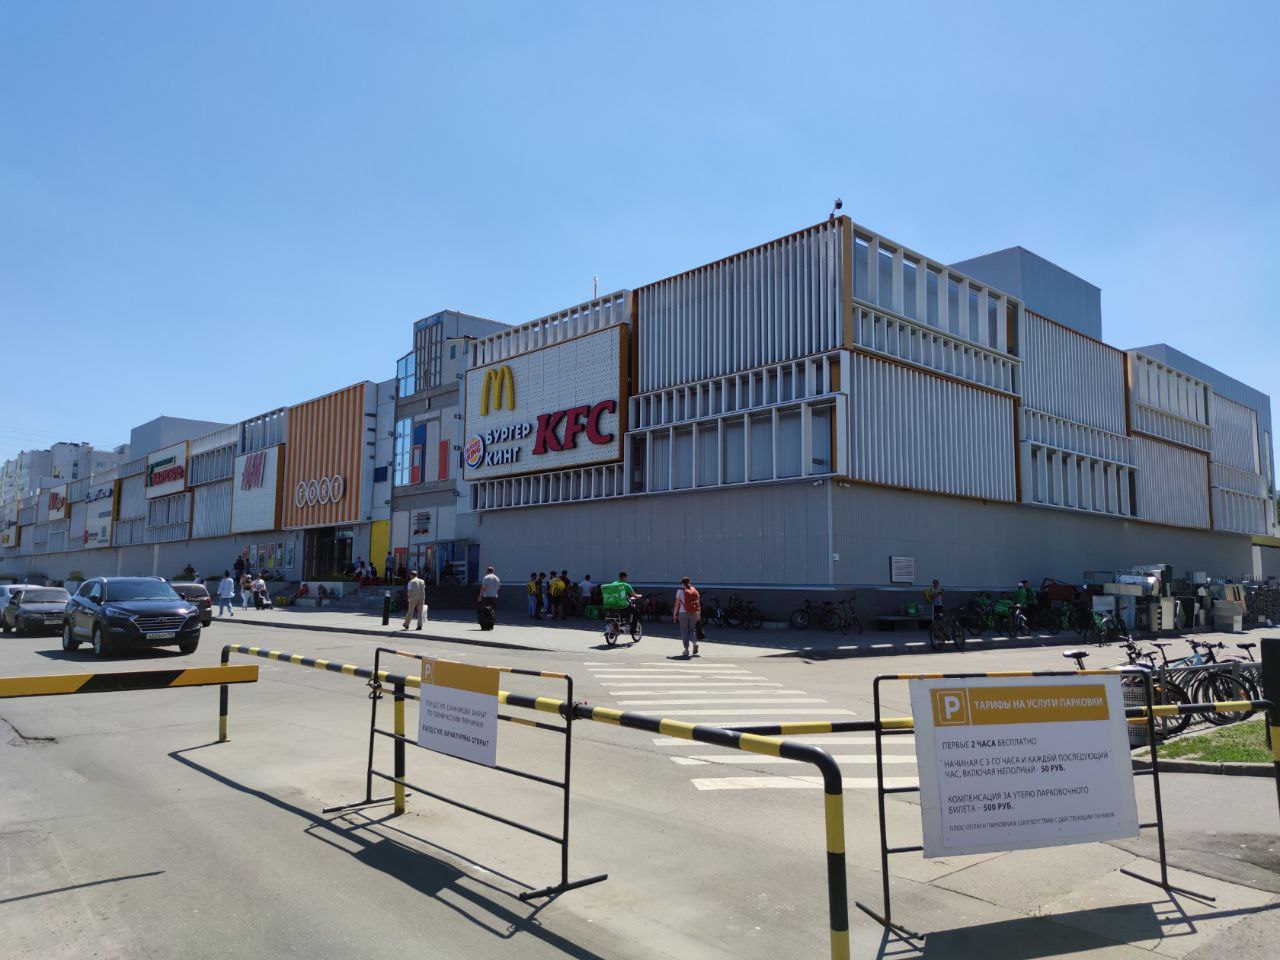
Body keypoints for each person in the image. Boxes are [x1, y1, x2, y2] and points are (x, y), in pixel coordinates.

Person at [601, 572, 639, 636]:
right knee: (636, 612)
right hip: (622, 606)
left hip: (612, 605)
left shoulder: (613, 584)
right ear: (625, 577)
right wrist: (639, 596)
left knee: (619, 615)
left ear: (619, 577)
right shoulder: (626, 585)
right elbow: (634, 596)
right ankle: (633, 629)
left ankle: (618, 627)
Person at [672, 576, 702, 657]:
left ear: (682, 584)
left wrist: (674, 614)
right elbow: (698, 604)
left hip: (683, 613)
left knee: (684, 631)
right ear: (689, 583)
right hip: (694, 613)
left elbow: (677, 604)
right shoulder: (694, 590)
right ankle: (695, 643)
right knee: (692, 630)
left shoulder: (680, 591)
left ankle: (686, 650)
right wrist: (699, 614)